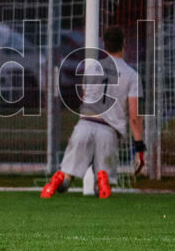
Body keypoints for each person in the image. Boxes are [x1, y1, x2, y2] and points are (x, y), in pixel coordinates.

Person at [41, 26, 145, 199]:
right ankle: (101, 180)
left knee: (68, 172)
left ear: (104, 45)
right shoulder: (131, 75)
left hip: (84, 125)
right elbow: (134, 117)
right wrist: (140, 147)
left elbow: (85, 96)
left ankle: (60, 179)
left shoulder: (91, 68)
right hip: (109, 130)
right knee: (104, 174)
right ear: (124, 44)